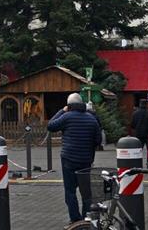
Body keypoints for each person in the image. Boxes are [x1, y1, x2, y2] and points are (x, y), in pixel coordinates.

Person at [47, 93, 102, 223]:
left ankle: (75, 219)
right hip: (86, 161)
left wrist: (62, 110)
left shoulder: (66, 117)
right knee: (86, 193)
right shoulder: (91, 119)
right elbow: (98, 140)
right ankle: (86, 218)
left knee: (70, 191)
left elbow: (50, 126)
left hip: (68, 160)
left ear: (69, 105)